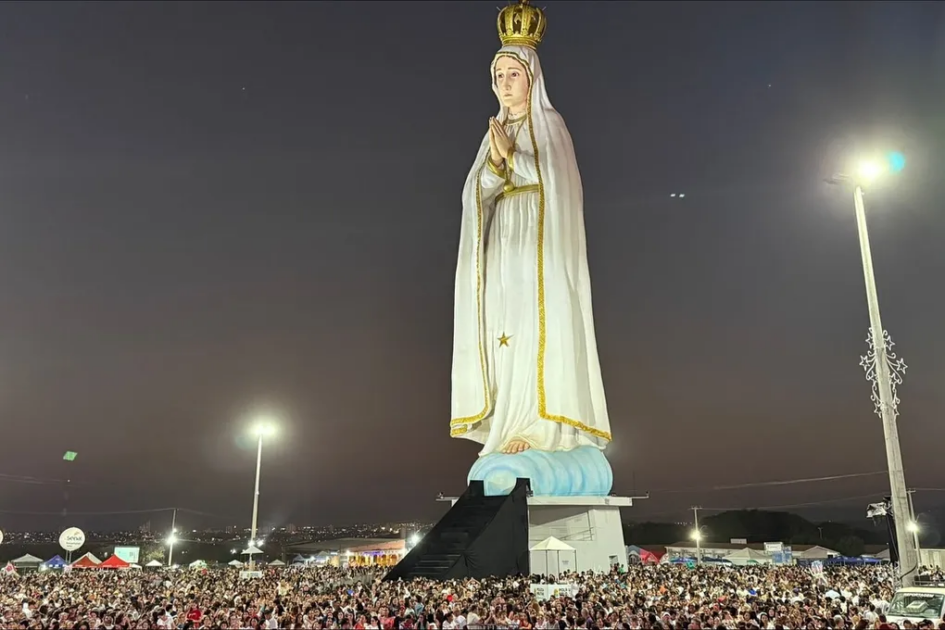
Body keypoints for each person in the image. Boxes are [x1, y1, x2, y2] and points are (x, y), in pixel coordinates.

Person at [450, 2, 612, 464]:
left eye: (512, 75)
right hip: (505, 240)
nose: (504, 83)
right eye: (498, 75)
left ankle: (538, 425)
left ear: (532, 78)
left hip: (539, 243)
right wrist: (497, 161)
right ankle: (509, 417)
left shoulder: (550, 125)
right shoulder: (495, 131)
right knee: (506, 326)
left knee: (536, 323)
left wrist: (513, 160)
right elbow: (475, 191)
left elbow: (557, 184)